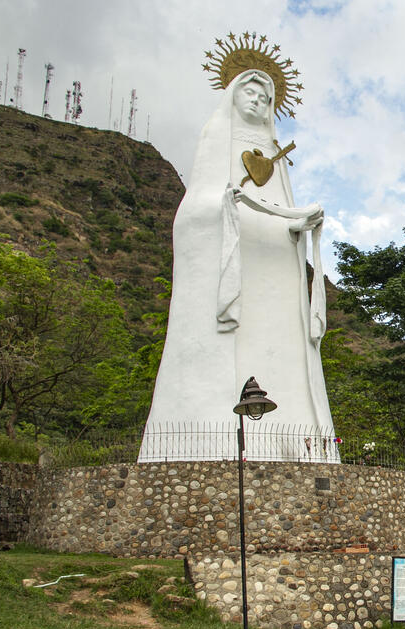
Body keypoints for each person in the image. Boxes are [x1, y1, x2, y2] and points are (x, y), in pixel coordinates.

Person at [139, 68, 336, 462]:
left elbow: (281, 214)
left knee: (288, 349)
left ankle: (302, 446)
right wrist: (225, 204)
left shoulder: (274, 155)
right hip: (235, 267)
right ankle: (211, 445)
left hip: (276, 273)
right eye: (250, 92)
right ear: (231, 95)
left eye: (266, 98)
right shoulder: (218, 140)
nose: (258, 101)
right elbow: (192, 213)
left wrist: (303, 223)